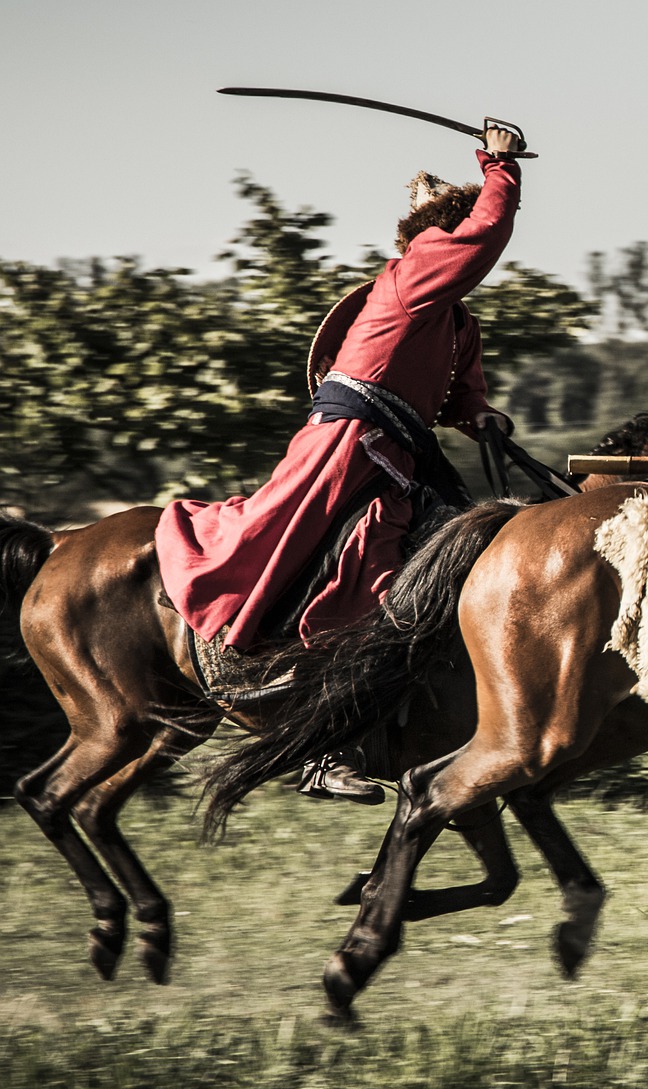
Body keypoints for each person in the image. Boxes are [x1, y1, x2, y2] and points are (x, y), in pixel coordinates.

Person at [155, 124, 526, 801]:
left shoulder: (457, 319)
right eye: (457, 226)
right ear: (439, 231)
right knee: (366, 569)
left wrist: (480, 417)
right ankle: (327, 746)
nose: (460, 240)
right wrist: (498, 165)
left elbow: (459, 394)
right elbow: (485, 237)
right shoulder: (419, 268)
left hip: (405, 449)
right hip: (351, 443)